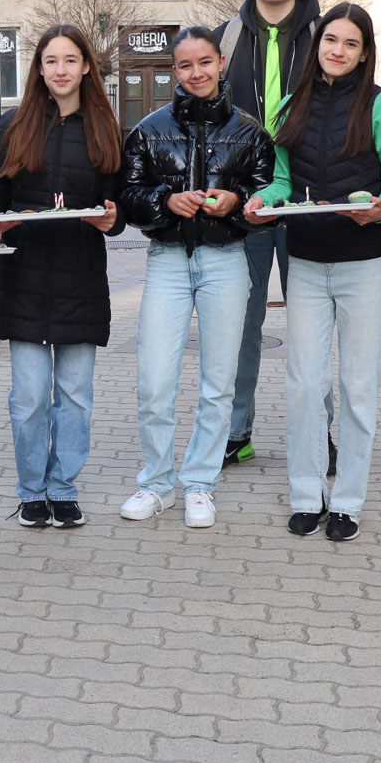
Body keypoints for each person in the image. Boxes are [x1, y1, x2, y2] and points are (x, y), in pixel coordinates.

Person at [244, 3, 381, 542]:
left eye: (351, 44)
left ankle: (348, 502)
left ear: (364, 53)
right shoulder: (291, 105)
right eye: (331, 40)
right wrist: (264, 201)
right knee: (304, 384)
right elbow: (283, 180)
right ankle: (306, 495)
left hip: (364, 265)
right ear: (318, 46)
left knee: (358, 386)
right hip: (307, 263)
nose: (338, 51)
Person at [119, 27, 273, 529]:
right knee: (154, 380)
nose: (197, 73)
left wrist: (236, 203)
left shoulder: (250, 132)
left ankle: (201, 483)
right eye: (185, 65)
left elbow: (266, 195)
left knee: (218, 382)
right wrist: (165, 201)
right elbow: (129, 196)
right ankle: (157, 481)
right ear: (174, 71)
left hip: (226, 259)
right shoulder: (148, 130)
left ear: (221, 62)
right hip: (167, 259)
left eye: (205, 62)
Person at [0, 25, 126, 530]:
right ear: (38, 69)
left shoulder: (105, 128)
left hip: (80, 278)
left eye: (70, 60)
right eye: (51, 61)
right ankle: (31, 492)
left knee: (76, 397)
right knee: (29, 400)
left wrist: (112, 219)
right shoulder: (14, 124)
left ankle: (63, 489)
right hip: (25, 277)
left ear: (85, 67)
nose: (60, 70)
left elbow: (118, 204)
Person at [213, 0, 332, 471]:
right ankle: (235, 433)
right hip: (246, 205)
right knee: (242, 323)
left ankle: (319, 434)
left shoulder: (326, 35)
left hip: (308, 199)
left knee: (311, 327)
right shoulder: (227, 38)